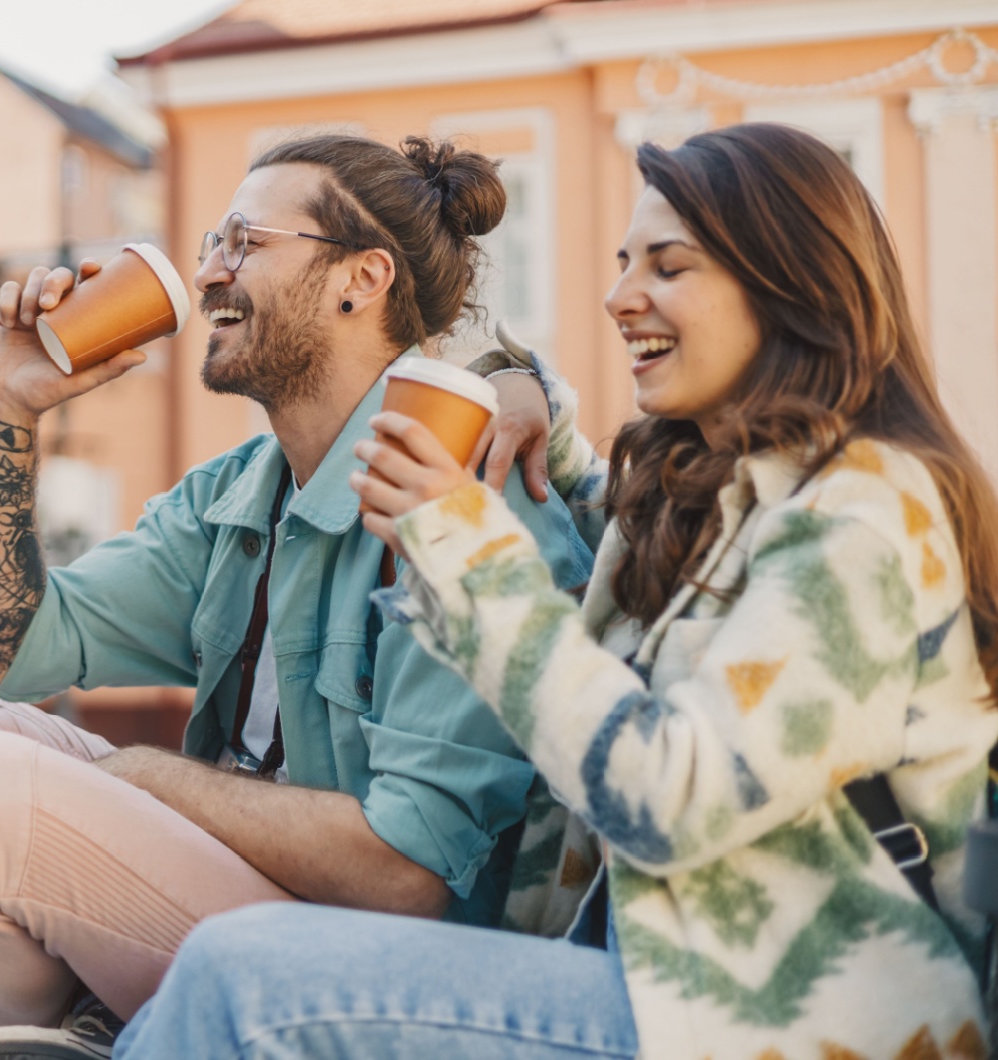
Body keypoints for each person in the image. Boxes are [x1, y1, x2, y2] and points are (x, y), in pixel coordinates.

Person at [115, 122, 998, 1059]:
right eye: (624, 263)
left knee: (245, 976)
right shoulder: (702, 498)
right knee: (243, 966)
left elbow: (673, 799)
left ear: (788, 281)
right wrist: (514, 379)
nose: (620, 297)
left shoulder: (864, 516)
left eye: (669, 266)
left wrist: (466, 550)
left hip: (782, 1025)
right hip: (644, 988)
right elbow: (544, 449)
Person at [0, 134, 594, 1060]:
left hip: (382, 969)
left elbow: (409, 876)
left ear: (362, 279)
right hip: (240, 899)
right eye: (211, 246)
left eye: (244, 242)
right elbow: (9, 654)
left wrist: (149, 780)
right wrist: (8, 408)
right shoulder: (237, 495)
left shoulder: (460, 495)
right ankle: (79, 1040)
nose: (210, 274)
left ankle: (54, 1038)